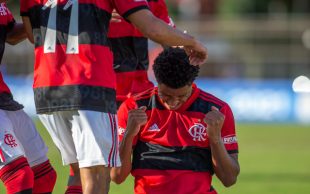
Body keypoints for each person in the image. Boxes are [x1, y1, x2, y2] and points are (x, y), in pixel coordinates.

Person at [20, 0, 207, 193]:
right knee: (98, 175)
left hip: (50, 88)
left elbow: (31, 34)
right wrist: (192, 42)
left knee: (81, 172)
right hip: (94, 89)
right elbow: (154, 29)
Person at [66, 1, 176, 192]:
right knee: (89, 172)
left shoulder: (154, 2)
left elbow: (167, 38)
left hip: (140, 98)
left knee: (158, 165)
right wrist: (96, 20)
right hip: (96, 93)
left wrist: (184, 63)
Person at [112, 47, 239, 194]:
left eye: (181, 96)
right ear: (157, 82)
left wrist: (215, 138)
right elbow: (117, 176)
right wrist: (129, 134)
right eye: (166, 95)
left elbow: (229, 179)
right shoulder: (134, 108)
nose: (173, 103)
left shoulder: (217, 111)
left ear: (192, 83)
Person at [0, 2, 56, 194]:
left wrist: (42, 19)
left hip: (4, 97)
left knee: (44, 176)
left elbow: (10, 35)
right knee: (19, 177)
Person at [108, 0, 175, 107]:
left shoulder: (153, 2)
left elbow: (171, 41)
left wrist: (190, 45)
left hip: (141, 95)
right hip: (100, 94)